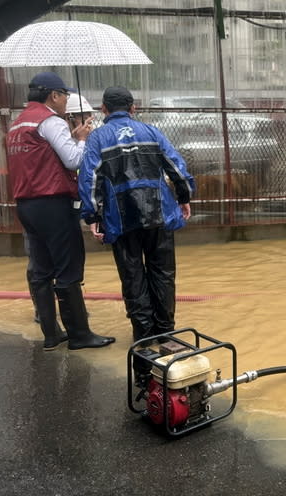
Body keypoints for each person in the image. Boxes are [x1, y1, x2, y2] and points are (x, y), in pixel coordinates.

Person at [78, 87, 195, 373]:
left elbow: (88, 178)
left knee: (132, 275)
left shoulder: (97, 138)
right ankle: (165, 330)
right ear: (133, 108)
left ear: (104, 109)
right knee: (163, 272)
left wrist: (92, 215)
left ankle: (143, 336)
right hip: (160, 213)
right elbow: (176, 166)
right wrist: (184, 196)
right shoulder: (152, 133)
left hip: (121, 218)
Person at [6, 71, 115, 351]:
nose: (67, 100)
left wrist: (73, 137)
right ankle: (80, 335)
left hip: (27, 205)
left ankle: (51, 334)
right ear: (53, 96)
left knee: (42, 269)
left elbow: (40, 159)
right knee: (68, 268)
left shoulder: (18, 123)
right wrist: (82, 140)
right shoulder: (49, 120)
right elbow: (73, 160)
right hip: (53, 203)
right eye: (65, 95)